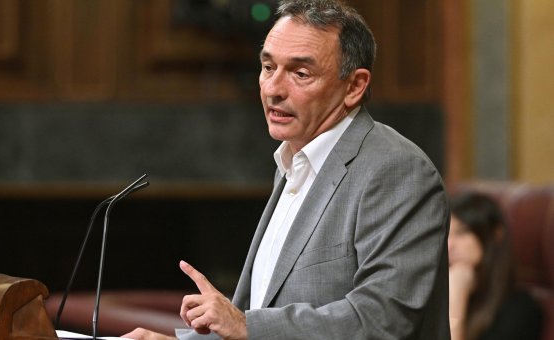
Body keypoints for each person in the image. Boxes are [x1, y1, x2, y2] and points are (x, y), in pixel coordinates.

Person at [124, 0, 450, 339]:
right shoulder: (292, 164)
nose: (273, 89)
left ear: (354, 86)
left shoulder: (398, 171)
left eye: (300, 74)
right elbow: (254, 324)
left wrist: (246, 325)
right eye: (268, 67)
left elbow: (384, 318)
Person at [448, 191, 543, 340]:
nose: (449, 244)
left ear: (495, 234)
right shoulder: (437, 291)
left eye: (462, 232)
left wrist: (456, 296)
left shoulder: (520, 309)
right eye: (446, 233)